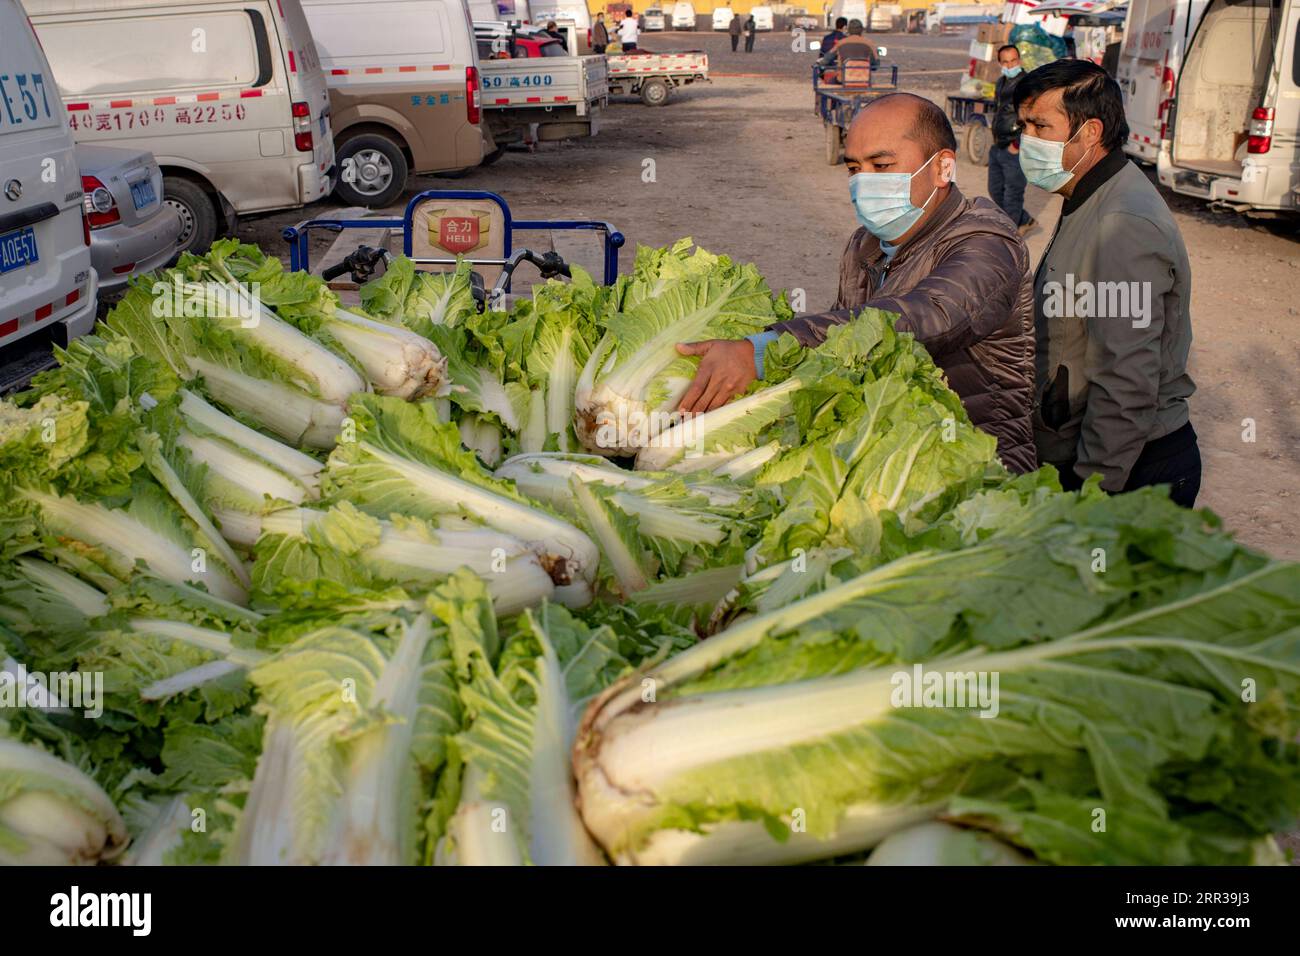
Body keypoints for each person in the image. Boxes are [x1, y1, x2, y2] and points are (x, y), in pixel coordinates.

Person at [676, 93, 1038, 474]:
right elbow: (842, 344)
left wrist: (768, 349)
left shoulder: (988, 242)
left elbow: (927, 316)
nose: (864, 182)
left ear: (943, 167)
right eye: (854, 169)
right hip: (889, 453)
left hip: (976, 462)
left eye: (882, 165)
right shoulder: (864, 246)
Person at [1014, 59, 1198, 505]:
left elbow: (1125, 380)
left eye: (1040, 126)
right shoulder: (1088, 193)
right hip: (1088, 451)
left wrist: (1089, 491)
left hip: (1127, 470)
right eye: (1023, 126)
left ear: (1090, 132)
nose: (1027, 141)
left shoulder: (1123, 222)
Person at [988, 44, 1035, 236]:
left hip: (1015, 146)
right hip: (999, 144)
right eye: (1005, 62)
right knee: (995, 190)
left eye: (1014, 60)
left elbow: (1031, 116)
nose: (1010, 65)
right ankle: (1025, 219)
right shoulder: (1001, 82)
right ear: (1000, 63)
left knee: (1012, 194)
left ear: (1020, 60)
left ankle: (1009, 237)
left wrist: (1017, 144)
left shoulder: (1026, 85)